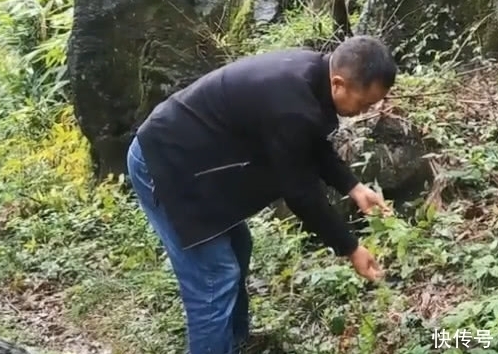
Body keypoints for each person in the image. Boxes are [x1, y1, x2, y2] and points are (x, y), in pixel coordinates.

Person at [126, 35, 398, 354]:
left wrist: (355, 188)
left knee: (238, 248)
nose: (365, 110)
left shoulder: (312, 75)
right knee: (214, 278)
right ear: (339, 83)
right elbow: (301, 193)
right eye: (364, 103)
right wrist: (351, 248)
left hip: (198, 163)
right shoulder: (292, 105)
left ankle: (236, 343)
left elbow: (311, 145)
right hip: (165, 163)